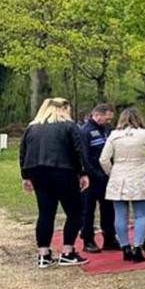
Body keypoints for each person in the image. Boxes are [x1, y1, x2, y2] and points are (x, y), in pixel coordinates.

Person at [19, 98, 92, 268]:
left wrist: (25, 176)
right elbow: (78, 151)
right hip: (63, 170)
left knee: (45, 213)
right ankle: (67, 251)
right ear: (64, 108)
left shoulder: (32, 127)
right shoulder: (68, 125)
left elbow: (23, 152)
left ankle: (43, 254)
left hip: (38, 172)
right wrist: (83, 172)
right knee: (75, 212)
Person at [100, 107, 145, 263]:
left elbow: (103, 159)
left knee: (120, 215)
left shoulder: (114, 135)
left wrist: (111, 173)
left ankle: (125, 247)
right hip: (137, 176)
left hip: (118, 176)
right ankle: (138, 248)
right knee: (140, 215)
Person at [78, 103, 119, 252]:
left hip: (107, 176)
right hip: (91, 177)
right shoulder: (85, 131)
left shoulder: (108, 130)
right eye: (107, 119)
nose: (109, 122)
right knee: (88, 210)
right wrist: (93, 173)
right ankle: (88, 239)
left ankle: (109, 238)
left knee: (108, 208)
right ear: (97, 115)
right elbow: (84, 156)